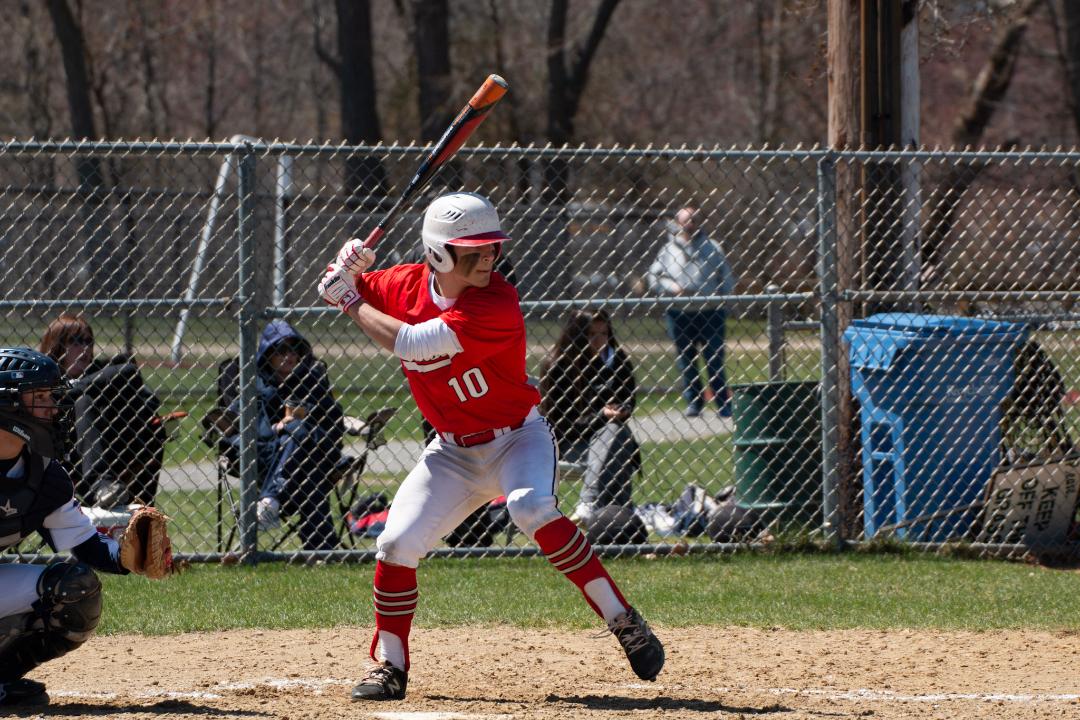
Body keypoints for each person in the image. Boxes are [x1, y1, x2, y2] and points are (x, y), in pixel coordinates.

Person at [318, 191, 664, 701]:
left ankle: (622, 619)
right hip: (451, 452)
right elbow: (348, 284)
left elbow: (407, 342)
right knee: (395, 544)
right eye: (472, 250)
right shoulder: (404, 284)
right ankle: (391, 666)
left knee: (530, 506)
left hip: (516, 438)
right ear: (438, 254)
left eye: (491, 248)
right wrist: (345, 268)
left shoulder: (496, 301)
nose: (487, 259)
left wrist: (346, 297)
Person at [0, 347, 159, 707]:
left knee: (75, 590)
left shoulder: (44, 475)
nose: (52, 408)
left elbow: (86, 544)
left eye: (51, 396)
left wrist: (132, 557)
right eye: (39, 397)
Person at [218, 320, 345, 552]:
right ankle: (323, 549)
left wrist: (295, 424)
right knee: (309, 473)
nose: (288, 356)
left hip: (313, 450)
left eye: (293, 350)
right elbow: (237, 422)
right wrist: (277, 428)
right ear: (268, 354)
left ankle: (270, 500)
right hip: (265, 456)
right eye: (280, 350)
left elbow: (334, 422)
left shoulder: (312, 380)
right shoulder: (253, 383)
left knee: (298, 432)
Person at [40, 314, 166, 507]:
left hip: (118, 450)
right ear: (57, 346)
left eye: (88, 341)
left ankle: (105, 487)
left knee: (86, 399)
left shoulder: (102, 371)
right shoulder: (44, 378)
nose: (84, 348)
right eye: (74, 342)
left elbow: (132, 375)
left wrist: (73, 389)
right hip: (65, 456)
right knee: (84, 403)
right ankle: (101, 484)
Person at [539, 308, 641, 525]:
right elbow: (559, 425)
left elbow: (629, 398)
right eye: (591, 334)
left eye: (603, 334)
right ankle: (614, 520)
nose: (598, 340)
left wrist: (621, 410)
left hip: (607, 438)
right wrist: (601, 416)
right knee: (618, 443)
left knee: (616, 433)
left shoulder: (617, 360)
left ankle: (596, 512)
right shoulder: (558, 365)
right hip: (567, 444)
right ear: (576, 335)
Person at [647, 206, 736, 418]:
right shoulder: (668, 250)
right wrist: (673, 288)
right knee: (686, 360)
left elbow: (726, 277)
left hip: (710, 312)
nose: (690, 225)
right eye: (686, 221)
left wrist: (724, 300)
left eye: (694, 220)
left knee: (714, 358)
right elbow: (654, 277)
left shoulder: (712, 247)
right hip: (679, 314)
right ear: (678, 223)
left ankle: (723, 404)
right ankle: (694, 403)